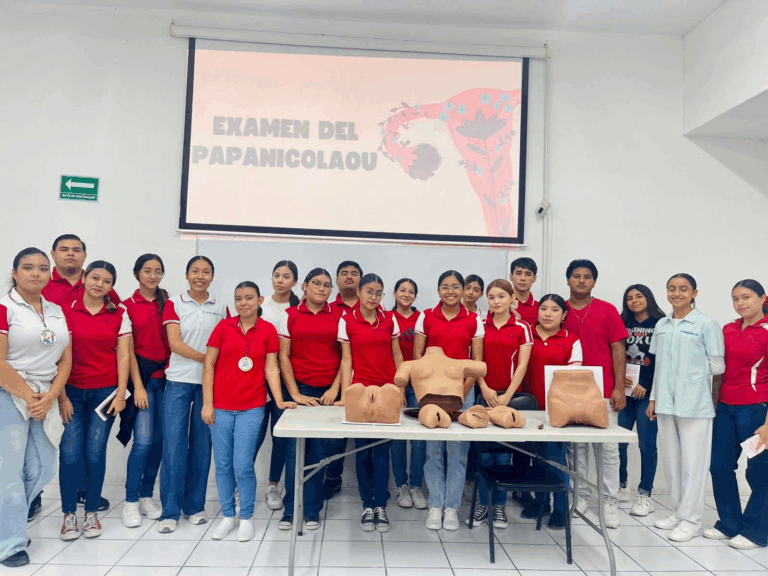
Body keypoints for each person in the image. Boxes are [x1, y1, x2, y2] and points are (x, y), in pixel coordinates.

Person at [202, 281, 297, 541]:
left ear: (259, 300)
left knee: (242, 464)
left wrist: (277, 400)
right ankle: (228, 517)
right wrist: (207, 403)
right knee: (222, 464)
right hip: (220, 407)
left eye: (249, 298)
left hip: (252, 406)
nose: (243, 303)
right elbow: (209, 365)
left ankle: (246, 517)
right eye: (238, 299)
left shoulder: (267, 330)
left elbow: (271, 368)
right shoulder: (223, 327)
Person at [0, 248, 71, 567]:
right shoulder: (4, 307)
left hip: (46, 393)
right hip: (11, 392)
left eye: (43, 268)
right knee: (9, 471)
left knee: (43, 467)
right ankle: (11, 541)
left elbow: (65, 357)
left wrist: (52, 394)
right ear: (15, 273)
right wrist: (30, 398)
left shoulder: (56, 309)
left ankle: (8, 522)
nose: (36, 273)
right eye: (27, 268)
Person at [41, 234, 117, 514]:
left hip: (98, 383)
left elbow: (120, 335)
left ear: (85, 256)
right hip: (48, 377)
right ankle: (35, 494)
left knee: (90, 446)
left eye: (76, 250)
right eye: (64, 249)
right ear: (53, 254)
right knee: (46, 439)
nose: (70, 254)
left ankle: (85, 492)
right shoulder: (42, 286)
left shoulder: (103, 289)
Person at [647, 273, 724, 542]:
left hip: (695, 405)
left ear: (695, 293)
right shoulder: (662, 325)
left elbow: (718, 367)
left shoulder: (706, 324)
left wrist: (693, 381)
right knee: (672, 461)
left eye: (683, 289)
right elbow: (659, 367)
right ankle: (678, 512)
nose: (676, 293)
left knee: (694, 463)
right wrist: (654, 399)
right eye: (671, 288)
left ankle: (692, 520)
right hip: (666, 403)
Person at [59, 261, 131, 540]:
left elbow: (123, 356)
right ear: (85, 278)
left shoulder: (119, 314)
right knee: (70, 452)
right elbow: (59, 357)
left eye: (107, 281)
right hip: (72, 392)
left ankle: (90, 514)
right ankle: (68, 515)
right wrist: (62, 395)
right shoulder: (65, 311)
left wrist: (122, 393)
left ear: (112, 287)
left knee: (94, 451)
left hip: (106, 394)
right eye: (95, 278)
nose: (99, 284)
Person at [157, 256, 229, 533]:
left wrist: (211, 367)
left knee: (202, 445)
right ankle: (170, 511)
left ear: (212, 276)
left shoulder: (221, 307)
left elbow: (225, 342)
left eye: (206, 272)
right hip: (178, 382)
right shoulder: (174, 303)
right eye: (195, 271)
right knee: (174, 447)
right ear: (187, 275)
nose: (200, 276)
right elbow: (175, 344)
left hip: (209, 385)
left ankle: (195, 506)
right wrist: (208, 360)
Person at [414, 270, 484, 531]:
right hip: (431, 396)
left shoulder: (474, 319)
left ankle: (452, 508)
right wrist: (428, 395)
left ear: (464, 289)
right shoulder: (426, 316)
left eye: (456, 286)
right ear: (438, 290)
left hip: (463, 395)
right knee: (433, 452)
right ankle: (435, 504)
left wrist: (461, 393)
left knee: (457, 452)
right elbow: (419, 358)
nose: (451, 291)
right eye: (445, 286)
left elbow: (476, 363)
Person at [277, 268, 344, 531]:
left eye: (327, 285)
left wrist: (334, 389)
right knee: (296, 451)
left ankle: (313, 510)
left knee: (319, 452)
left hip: (329, 391)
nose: (322, 288)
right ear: (304, 286)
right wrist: (295, 394)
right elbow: (283, 357)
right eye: (316, 283)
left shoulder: (340, 316)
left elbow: (345, 358)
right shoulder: (289, 315)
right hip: (300, 390)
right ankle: (291, 510)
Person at [563, 259, 628, 528]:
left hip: (603, 390)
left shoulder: (607, 310)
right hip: (569, 390)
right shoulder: (559, 309)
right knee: (576, 448)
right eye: (576, 276)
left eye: (587, 277)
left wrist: (619, 386)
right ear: (567, 280)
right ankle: (580, 495)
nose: (581, 281)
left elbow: (618, 349)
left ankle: (609, 500)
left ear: (594, 281)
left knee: (607, 449)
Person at [337, 273, 403, 532]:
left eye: (378, 293)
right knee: (362, 451)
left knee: (381, 453)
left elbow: (397, 352)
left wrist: (400, 385)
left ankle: (380, 507)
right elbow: (346, 361)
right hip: (360, 390)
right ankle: (367, 505)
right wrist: (345, 395)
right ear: (360, 292)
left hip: (387, 390)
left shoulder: (390, 318)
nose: (374, 297)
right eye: (369, 292)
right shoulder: (347, 320)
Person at [706, 279, 768, 550]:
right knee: (719, 466)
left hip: (756, 411)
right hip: (725, 409)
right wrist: (712, 404)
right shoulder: (728, 329)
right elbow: (719, 370)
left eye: (747, 297)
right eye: (735, 298)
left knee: (759, 472)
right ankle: (730, 524)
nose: (741, 303)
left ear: (763, 298)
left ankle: (756, 531)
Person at [468, 279, 533, 529]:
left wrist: (507, 397)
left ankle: (499, 508)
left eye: (501, 297)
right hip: (483, 393)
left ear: (512, 298)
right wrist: (484, 388)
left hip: (508, 396)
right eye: (492, 297)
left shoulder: (522, 327)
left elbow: (523, 366)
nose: (496, 301)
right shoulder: (479, 324)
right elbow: (476, 360)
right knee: (484, 454)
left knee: (504, 454)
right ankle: (483, 505)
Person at [522, 294, 582, 529]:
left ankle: (560, 508)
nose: (548, 314)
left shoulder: (571, 340)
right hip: (528, 408)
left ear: (564, 315)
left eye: (554, 310)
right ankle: (541, 503)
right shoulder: (527, 334)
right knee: (536, 459)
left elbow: (573, 379)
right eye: (544, 308)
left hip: (557, 412)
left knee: (556, 460)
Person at [119, 254, 171, 528]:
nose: (152, 276)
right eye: (147, 271)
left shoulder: (169, 304)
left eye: (157, 271)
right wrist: (137, 386)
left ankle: (146, 495)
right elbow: (125, 353)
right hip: (141, 381)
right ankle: (129, 501)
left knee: (160, 442)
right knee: (143, 441)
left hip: (168, 381)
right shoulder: (125, 306)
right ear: (137, 273)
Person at [254, 260, 300, 511]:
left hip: (286, 380)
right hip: (258, 380)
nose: (280, 280)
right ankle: (242, 488)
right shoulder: (260, 304)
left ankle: (273, 486)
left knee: (280, 436)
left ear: (295, 282)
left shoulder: (298, 308)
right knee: (255, 435)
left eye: (286, 276)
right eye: (276, 275)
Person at [618, 284, 665, 517]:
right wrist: (620, 378)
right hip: (625, 391)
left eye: (639, 296)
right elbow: (616, 353)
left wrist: (645, 384)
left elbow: (660, 359)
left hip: (647, 394)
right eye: (629, 298)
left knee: (647, 444)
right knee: (617, 442)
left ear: (649, 297)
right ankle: (621, 486)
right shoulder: (622, 322)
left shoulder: (661, 323)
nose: (634, 301)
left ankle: (645, 493)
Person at [324, 260, 363, 498]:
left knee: (364, 434)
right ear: (336, 280)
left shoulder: (372, 307)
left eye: (354, 273)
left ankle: (367, 484)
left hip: (365, 379)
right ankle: (331, 477)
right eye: (344, 273)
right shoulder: (328, 308)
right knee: (333, 435)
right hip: (332, 382)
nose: (349, 277)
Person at [390, 278, 428, 510]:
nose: (406, 294)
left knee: (420, 438)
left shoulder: (422, 318)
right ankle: (401, 485)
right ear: (394, 293)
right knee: (396, 438)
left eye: (411, 291)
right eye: (402, 290)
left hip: (419, 385)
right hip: (393, 383)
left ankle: (416, 485)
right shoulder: (385, 317)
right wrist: (399, 386)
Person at [509, 257, 539, 326]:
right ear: (511, 276)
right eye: (518, 273)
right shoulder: (501, 304)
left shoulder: (541, 308)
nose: (523, 278)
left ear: (534, 278)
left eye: (528, 274)